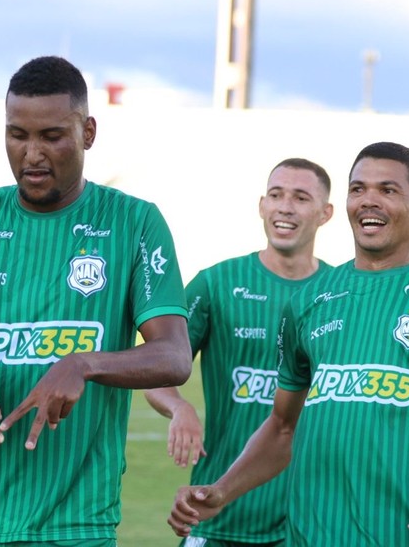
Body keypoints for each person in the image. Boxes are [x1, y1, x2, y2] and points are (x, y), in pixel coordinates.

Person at [0, 55, 192, 546]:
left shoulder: (134, 223)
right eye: (17, 135)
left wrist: (82, 364)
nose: (31, 154)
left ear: (87, 132)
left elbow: (172, 356)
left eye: (52, 137)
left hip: (78, 524)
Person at [169, 142, 409, 547]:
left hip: (406, 537)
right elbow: (282, 427)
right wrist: (222, 491)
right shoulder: (311, 300)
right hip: (308, 537)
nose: (368, 201)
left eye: (388, 190)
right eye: (358, 189)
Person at [145, 158, 334, 546]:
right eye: (277, 195)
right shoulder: (216, 284)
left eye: (300, 197)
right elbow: (156, 366)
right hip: (215, 516)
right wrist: (179, 407)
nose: (285, 206)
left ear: (325, 213)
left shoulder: (341, 294)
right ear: (261, 205)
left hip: (306, 525)